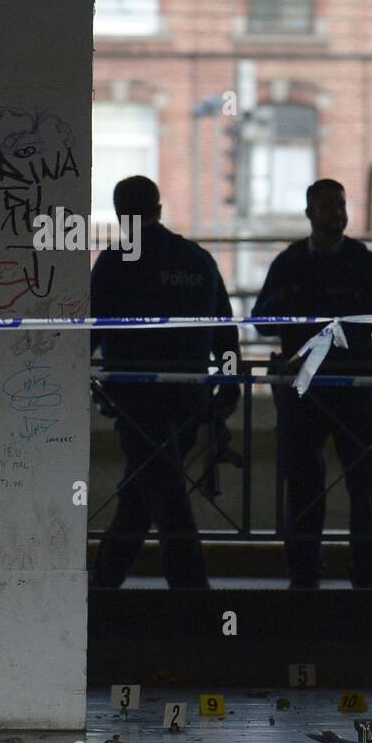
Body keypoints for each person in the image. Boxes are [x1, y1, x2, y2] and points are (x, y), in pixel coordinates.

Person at [252, 180, 372, 589]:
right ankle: (307, 574)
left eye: (340, 204)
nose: (336, 212)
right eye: (327, 206)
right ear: (309, 212)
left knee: (365, 484)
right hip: (313, 389)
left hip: (344, 387)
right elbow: (261, 319)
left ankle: (364, 574)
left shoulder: (359, 263)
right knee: (305, 487)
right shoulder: (299, 264)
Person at [90, 176, 239, 588]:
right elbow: (225, 328)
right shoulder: (196, 258)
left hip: (135, 399)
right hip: (189, 395)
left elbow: (92, 331)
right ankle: (104, 585)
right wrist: (231, 384)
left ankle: (190, 595)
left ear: (121, 214)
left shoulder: (115, 262)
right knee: (148, 488)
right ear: (159, 208)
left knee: (162, 492)